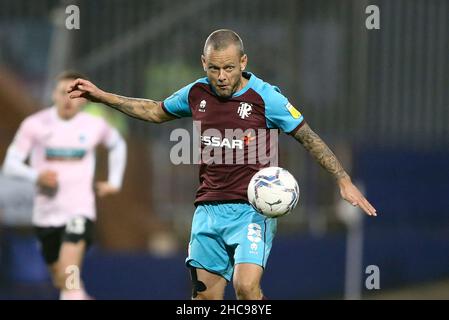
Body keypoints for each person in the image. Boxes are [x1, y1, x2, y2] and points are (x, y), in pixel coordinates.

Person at [67, 29, 376, 300]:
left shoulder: (266, 97)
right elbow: (155, 111)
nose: (222, 76)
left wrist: (342, 179)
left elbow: (307, 136)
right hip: (208, 210)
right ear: (204, 64)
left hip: (253, 209)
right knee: (204, 297)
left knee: (245, 287)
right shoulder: (196, 92)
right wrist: (102, 96)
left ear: (243, 62)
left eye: (229, 68)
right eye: (214, 68)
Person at [2, 71, 127, 300]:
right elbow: (10, 164)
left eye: (75, 94)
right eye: (63, 93)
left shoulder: (94, 125)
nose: (68, 99)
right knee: (63, 279)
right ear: (54, 95)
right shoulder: (34, 125)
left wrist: (114, 181)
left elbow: (117, 145)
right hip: (46, 214)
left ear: (83, 98)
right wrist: (36, 176)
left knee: (70, 271)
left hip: (79, 210)